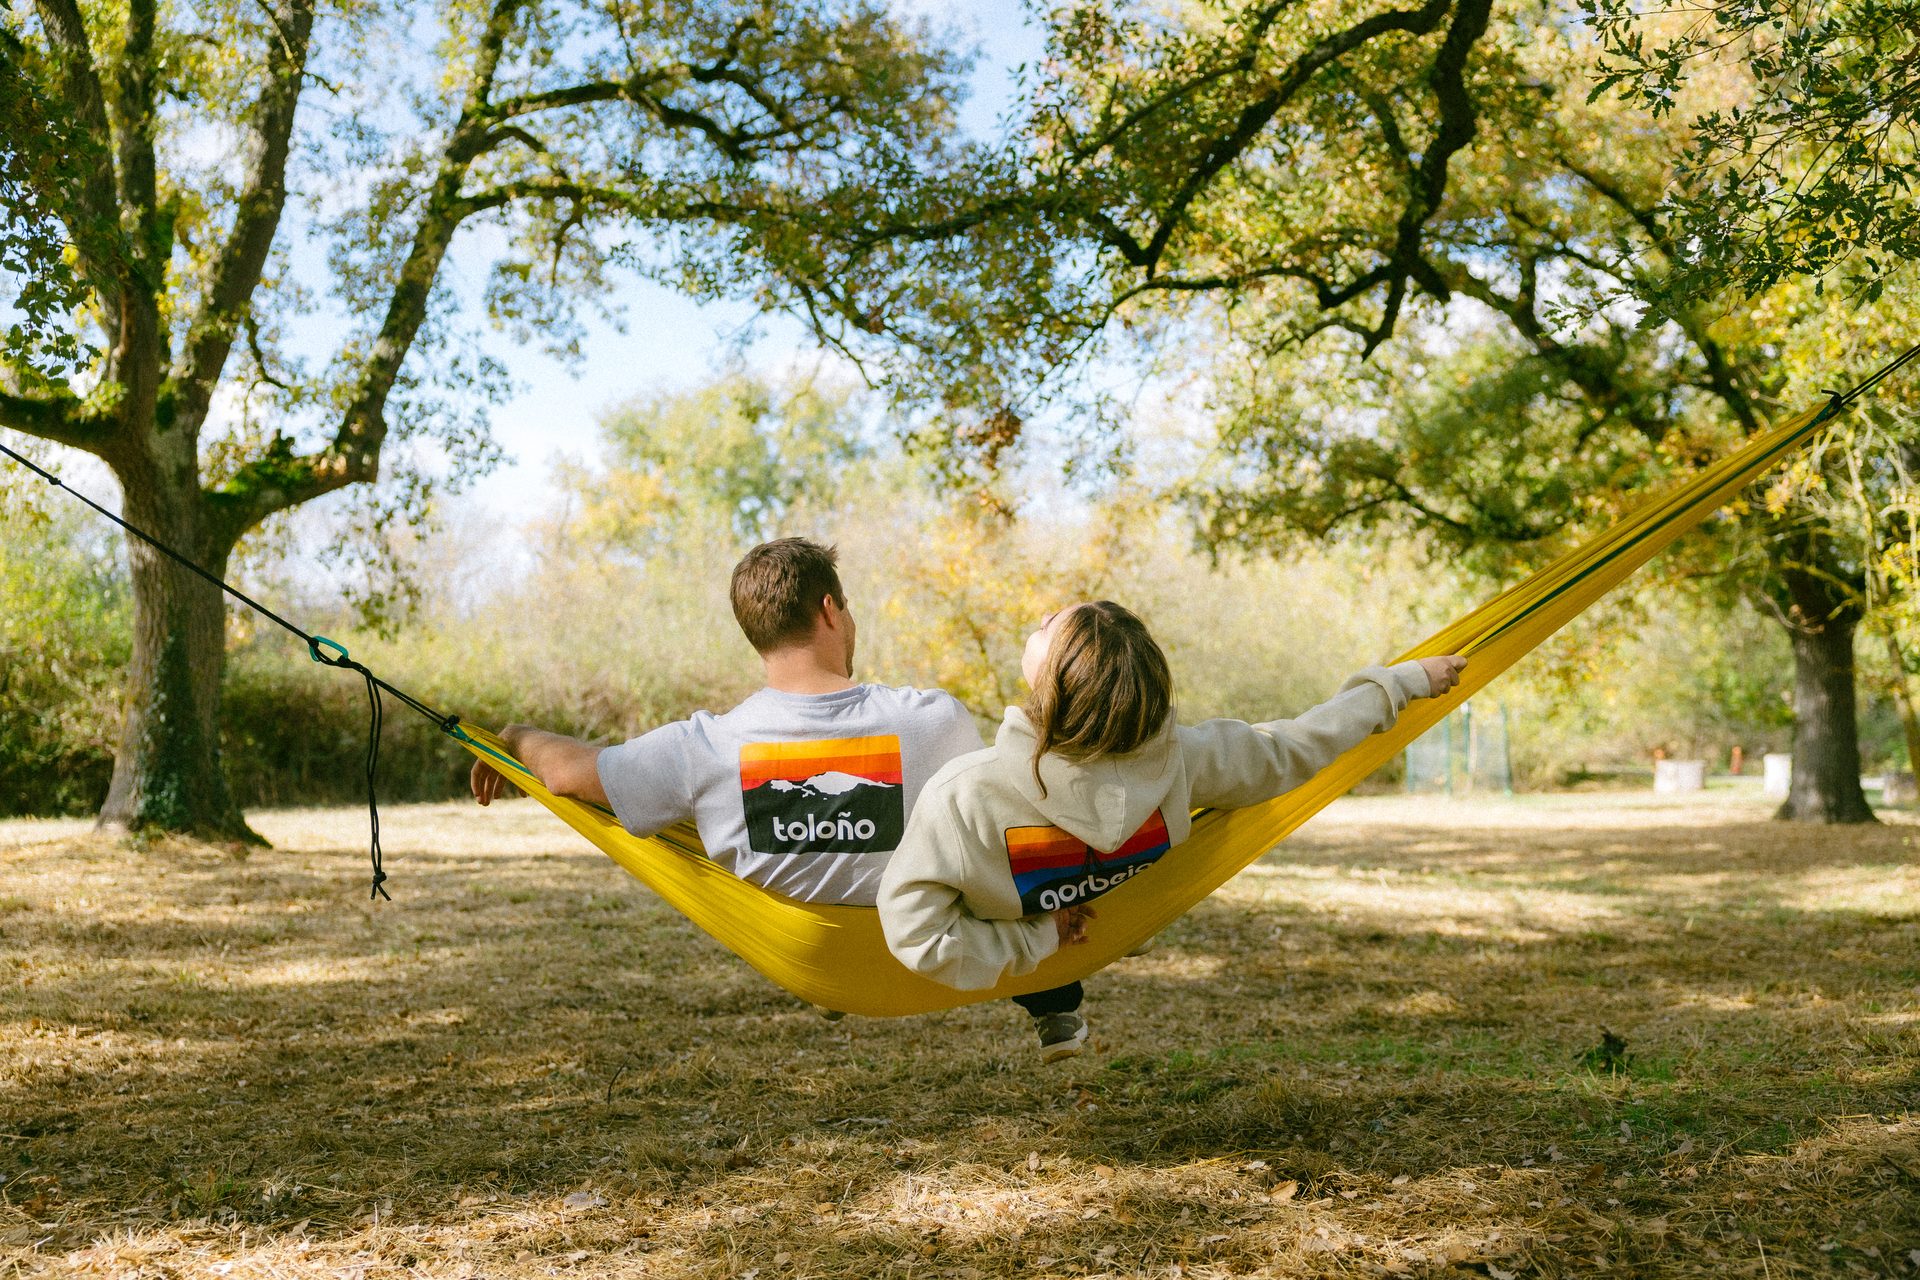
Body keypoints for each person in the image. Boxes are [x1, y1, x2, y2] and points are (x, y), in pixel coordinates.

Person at [469, 536, 1084, 1049]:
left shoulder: (705, 747)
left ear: (754, 631)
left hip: (816, 958)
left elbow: (569, 772)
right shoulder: (934, 720)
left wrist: (518, 737)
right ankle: (1055, 1000)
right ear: (829, 611)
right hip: (933, 942)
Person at [877, 600, 1466, 1056]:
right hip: (1103, 925)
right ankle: (1057, 1000)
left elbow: (915, 930)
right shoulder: (1188, 760)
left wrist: (1039, 938)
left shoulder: (966, 794)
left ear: (1051, 678)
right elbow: (1297, 746)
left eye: (1045, 626)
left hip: (1018, 937)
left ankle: (1052, 997)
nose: (1039, 621)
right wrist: (1402, 681)